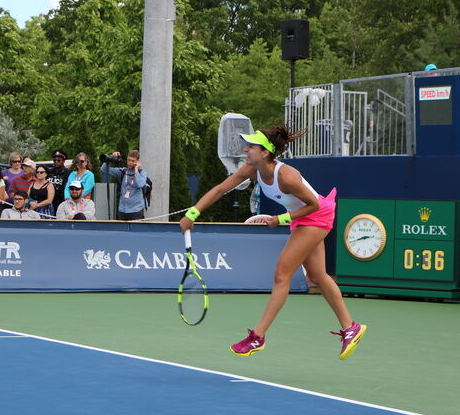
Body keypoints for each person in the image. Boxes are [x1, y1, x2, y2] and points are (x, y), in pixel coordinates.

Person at [179, 123, 367, 360]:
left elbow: (314, 205)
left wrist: (280, 219)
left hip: (317, 215)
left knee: (281, 275)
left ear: (265, 152)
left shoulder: (287, 176)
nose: (245, 150)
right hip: (302, 219)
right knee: (317, 276)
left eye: (250, 146)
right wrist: (192, 213)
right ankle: (351, 327)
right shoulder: (251, 170)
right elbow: (220, 189)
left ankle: (258, 336)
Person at [100, 149, 149, 221]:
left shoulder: (142, 173)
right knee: (122, 232)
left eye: (133, 161)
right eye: (128, 160)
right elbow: (103, 169)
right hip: (122, 209)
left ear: (137, 162)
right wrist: (110, 158)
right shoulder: (123, 171)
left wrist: (136, 170)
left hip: (136, 210)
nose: (130, 162)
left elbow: (140, 184)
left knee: (135, 232)